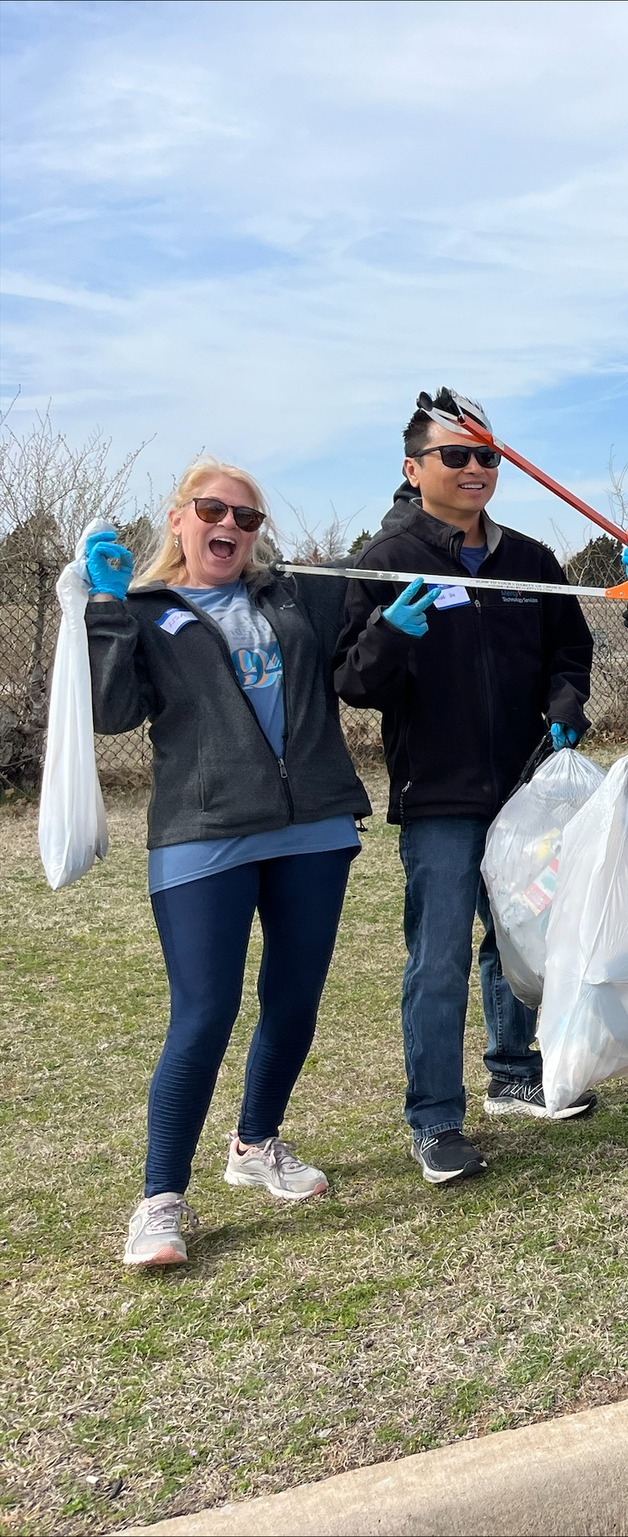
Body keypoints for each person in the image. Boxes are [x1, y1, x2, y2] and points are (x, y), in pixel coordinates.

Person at [86, 457, 371, 1266]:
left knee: (294, 999)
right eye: (215, 511)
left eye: (248, 519)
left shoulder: (292, 594)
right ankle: (160, 1199)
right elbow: (113, 713)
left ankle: (254, 1146)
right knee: (203, 1012)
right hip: (203, 832)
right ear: (179, 517)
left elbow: (380, 582)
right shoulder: (143, 608)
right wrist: (107, 607)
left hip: (311, 826)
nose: (232, 528)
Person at [334, 389, 594, 1187]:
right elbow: (351, 680)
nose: (476, 468)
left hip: (525, 785)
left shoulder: (530, 560)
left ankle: (514, 1070)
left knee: (520, 937)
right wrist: (386, 637)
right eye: (457, 455)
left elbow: (569, 650)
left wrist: (564, 705)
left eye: (488, 456)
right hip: (439, 794)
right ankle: (435, 1117)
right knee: (437, 956)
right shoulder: (383, 561)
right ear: (415, 470)